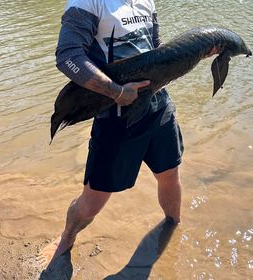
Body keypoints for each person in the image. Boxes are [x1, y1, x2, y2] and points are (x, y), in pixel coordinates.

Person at [39, 0, 184, 266]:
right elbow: (68, 57)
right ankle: (65, 241)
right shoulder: (88, 3)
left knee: (170, 174)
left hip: (159, 107)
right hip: (117, 118)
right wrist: (116, 92)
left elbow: (157, 50)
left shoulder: (146, 1)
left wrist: (196, 52)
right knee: (93, 199)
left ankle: (174, 227)